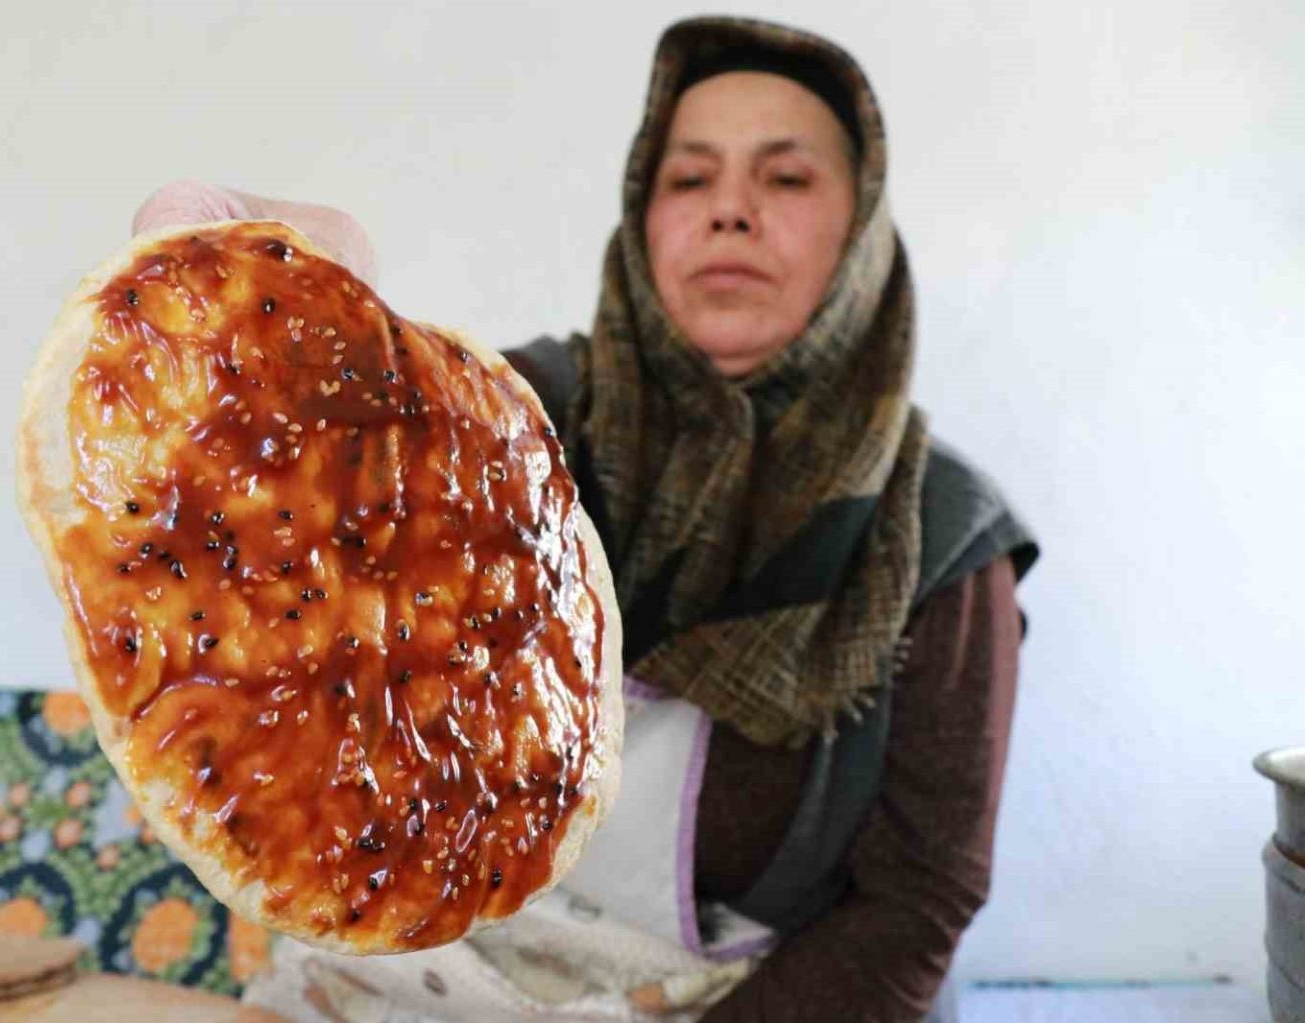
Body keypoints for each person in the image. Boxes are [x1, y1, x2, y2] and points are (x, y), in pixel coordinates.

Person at [133, 16, 1037, 1023]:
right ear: (643, 216)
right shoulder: (522, 420)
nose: (730, 211)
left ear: (861, 224)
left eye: (786, 178)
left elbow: (917, 906)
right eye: (689, 178)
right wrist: (286, 310)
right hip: (418, 977)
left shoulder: (940, 542)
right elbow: (319, 529)